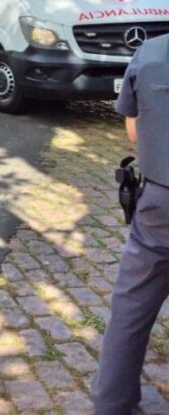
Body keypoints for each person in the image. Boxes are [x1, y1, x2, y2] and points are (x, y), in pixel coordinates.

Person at [92, 33, 169, 414]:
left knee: (131, 308)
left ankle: (113, 403)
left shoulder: (151, 52)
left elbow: (135, 131)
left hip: (160, 201)